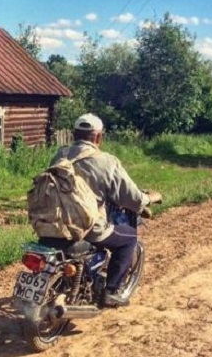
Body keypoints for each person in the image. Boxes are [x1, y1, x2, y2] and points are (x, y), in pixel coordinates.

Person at [51, 113, 161, 308]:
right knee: (129, 239)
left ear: (74, 134)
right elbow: (131, 197)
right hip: (87, 227)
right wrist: (148, 199)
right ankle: (111, 291)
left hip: (53, 224)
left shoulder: (60, 155)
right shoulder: (107, 161)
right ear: (99, 137)